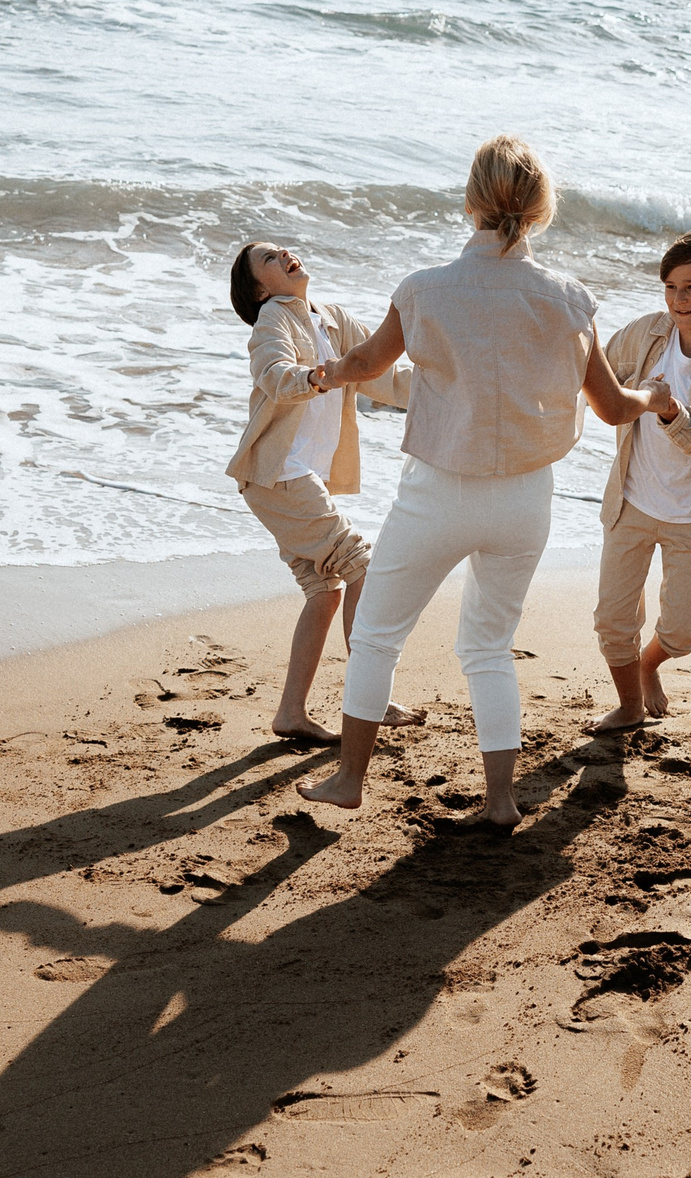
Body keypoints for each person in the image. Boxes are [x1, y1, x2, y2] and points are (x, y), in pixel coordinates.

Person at [295, 135, 664, 826]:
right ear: (541, 208)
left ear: (470, 203)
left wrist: (321, 371)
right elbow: (613, 408)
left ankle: (349, 779)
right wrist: (656, 398)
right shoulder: (569, 299)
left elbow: (368, 364)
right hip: (526, 500)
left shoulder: (424, 288)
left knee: (377, 634)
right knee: (488, 646)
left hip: (439, 491)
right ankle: (499, 801)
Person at [224, 240, 425, 744]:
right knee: (361, 565)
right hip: (277, 474)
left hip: (292, 480)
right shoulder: (274, 318)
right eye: (269, 259)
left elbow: (383, 374)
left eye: (283, 249)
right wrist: (321, 374)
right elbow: (272, 374)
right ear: (259, 288)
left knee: (325, 589)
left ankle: (291, 713)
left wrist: (447, 392)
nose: (285, 255)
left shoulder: (331, 319)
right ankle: (369, 699)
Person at [586, 228, 691, 734]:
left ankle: (649, 664)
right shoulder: (646, 334)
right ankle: (629, 705)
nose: (678, 299)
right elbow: (595, 374)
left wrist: (669, 409)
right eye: (669, 287)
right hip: (631, 501)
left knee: (684, 631)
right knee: (613, 621)